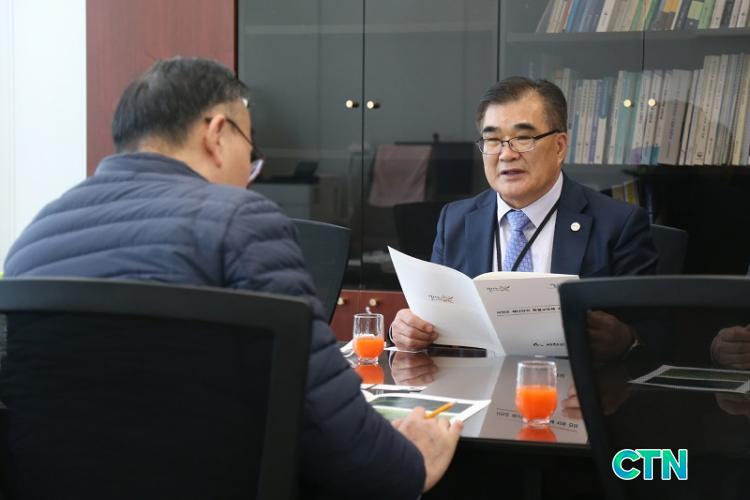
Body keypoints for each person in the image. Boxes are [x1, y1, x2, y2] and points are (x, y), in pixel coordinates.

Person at [2, 57, 461, 499]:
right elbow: (322, 412)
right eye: (251, 151)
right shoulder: (240, 220)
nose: (250, 174)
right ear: (217, 134)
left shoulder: (34, 238)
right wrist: (408, 463)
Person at [392, 77, 658, 350]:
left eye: (522, 138)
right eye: (493, 140)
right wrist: (408, 330)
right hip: (474, 376)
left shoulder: (619, 225)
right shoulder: (455, 220)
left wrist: (625, 339)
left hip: (572, 376)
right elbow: (432, 315)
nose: (506, 154)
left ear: (559, 146)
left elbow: (654, 337)